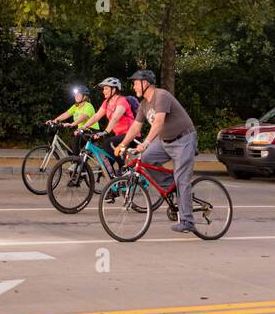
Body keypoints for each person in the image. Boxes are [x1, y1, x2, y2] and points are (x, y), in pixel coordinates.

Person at [114, 70, 198, 234]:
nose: (134, 87)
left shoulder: (161, 96)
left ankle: (187, 221)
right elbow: (136, 127)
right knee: (145, 159)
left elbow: (158, 123)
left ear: (145, 83)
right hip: (165, 141)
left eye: (136, 83)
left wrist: (145, 143)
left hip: (184, 140)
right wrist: (122, 145)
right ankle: (171, 186)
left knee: (182, 179)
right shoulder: (144, 104)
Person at [76, 78, 134, 169]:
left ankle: (124, 168)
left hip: (131, 134)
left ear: (114, 89)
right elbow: (96, 116)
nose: (103, 91)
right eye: (103, 89)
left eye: (106, 88)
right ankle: (117, 179)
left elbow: (115, 118)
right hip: (119, 135)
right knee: (106, 165)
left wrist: (105, 131)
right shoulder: (106, 103)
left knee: (107, 143)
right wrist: (83, 126)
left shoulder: (121, 101)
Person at [49, 85, 100, 154]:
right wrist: (54, 121)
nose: (76, 96)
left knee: (75, 145)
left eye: (78, 94)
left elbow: (83, 117)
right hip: (81, 131)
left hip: (91, 131)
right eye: (75, 94)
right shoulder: (75, 106)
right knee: (70, 149)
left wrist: (72, 124)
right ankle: (79, 163)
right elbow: (65, 114)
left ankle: (77, 162)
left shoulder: (88, 106)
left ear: (84, 96)